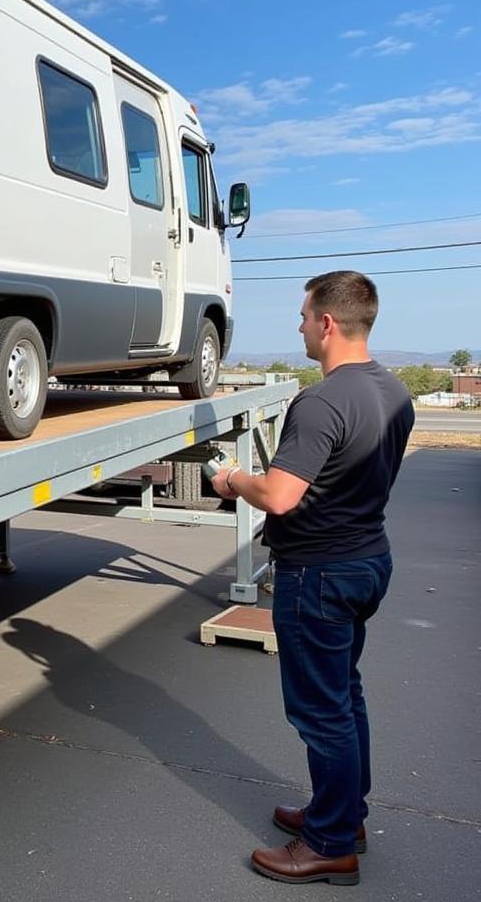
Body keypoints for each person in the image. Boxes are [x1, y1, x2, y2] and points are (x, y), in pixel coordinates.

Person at [211, 271, 414, 886]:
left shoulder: (322, 400)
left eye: (303, 316)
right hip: (366, 559)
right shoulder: (394, 391)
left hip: (319, 575)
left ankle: (329, 845)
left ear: (328, 323)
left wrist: (231, 481)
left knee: (321, 712)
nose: (298, 325)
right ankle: (343, 815)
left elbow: (278, 494)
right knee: (344, 698)